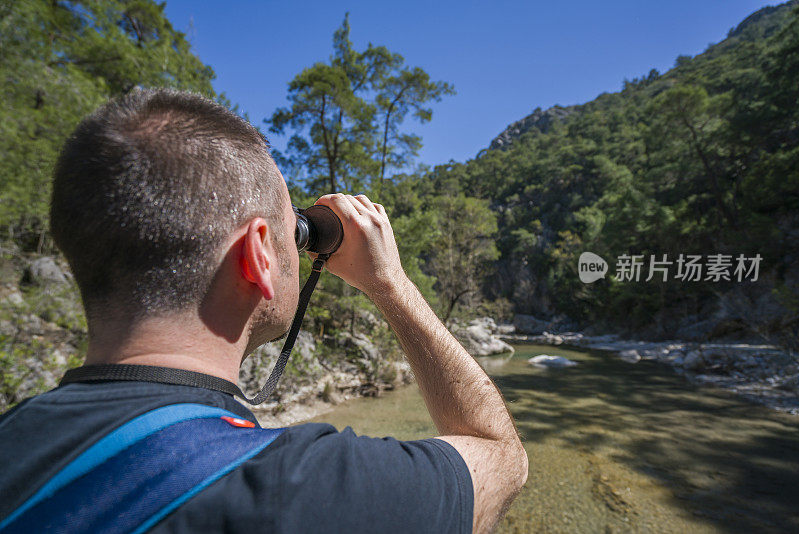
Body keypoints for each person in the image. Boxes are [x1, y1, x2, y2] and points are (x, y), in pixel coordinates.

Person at [0, 89, 527, 533]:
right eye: (290, 232)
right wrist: (390, 282)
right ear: (257, 255)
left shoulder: (14, 443)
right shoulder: (310, 490)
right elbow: (499, 455)